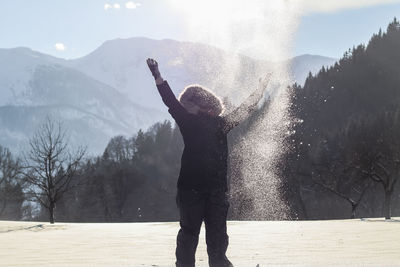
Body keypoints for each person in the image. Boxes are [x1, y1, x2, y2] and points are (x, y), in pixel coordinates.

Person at [146, 58, 271, 267]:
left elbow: (171, 101)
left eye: (190, 104)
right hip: (203, 191)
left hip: (205, 191)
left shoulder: (210, 123)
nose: (186, 107)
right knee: (208, 238)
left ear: (205, 107)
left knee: (200, 237)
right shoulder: (210, 123)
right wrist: (158, 78)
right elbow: (171, 101)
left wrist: (158, 77)